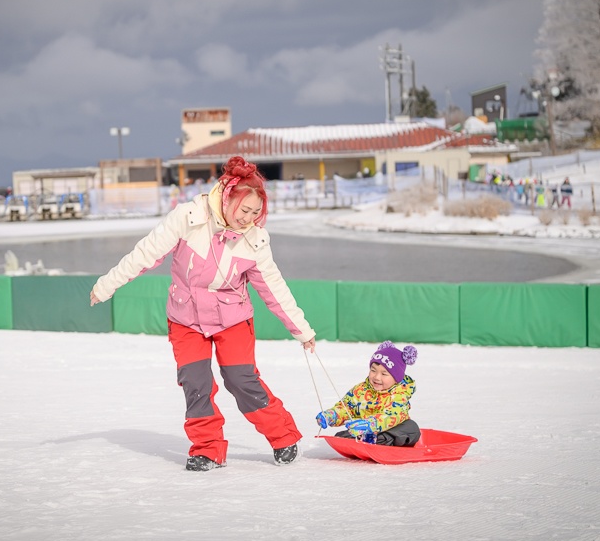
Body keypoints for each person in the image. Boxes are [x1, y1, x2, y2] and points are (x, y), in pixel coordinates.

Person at [90, 156, 317, 472]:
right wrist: (107, 284)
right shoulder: (189, 217)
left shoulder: (255, 241)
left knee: (241, 381)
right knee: (196, 383)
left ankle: (284, 436)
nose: (248, 218)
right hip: (186, 319)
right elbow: (146, 253)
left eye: (256, 213)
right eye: (244, 210)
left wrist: (302, 330)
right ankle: (208, 450)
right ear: (228, 199)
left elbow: (274, 290)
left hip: (233, 320)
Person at [315, 341, 420, 447]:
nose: (377, 377)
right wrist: (332, 415)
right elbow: (346, 408)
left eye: (384, 374)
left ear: (396, 378)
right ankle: (364, 440)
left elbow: (393, 415)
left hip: (391, 432)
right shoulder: (361, 390)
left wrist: (371, 425)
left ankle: (379, 440)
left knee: (411, 428)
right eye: (373, 370)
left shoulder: (399, 394)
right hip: (363, 432)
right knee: (341, 435)